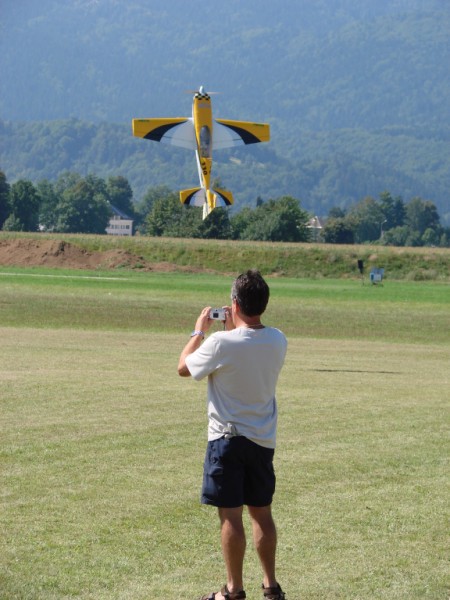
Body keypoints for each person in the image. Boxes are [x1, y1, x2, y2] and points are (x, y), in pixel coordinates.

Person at [178, 270, 288, 600]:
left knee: (230, 517)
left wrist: (200, 330)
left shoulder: (219, 343)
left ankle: (233, 590)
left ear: (235, 303)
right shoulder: (278, 339)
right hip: (261, 440)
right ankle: (270, 587)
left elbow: (184, 367)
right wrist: (230, 330)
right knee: (262, 514)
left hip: (226, 440)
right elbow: (245, 351)